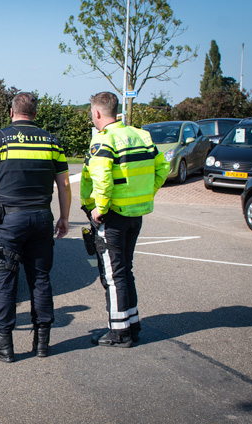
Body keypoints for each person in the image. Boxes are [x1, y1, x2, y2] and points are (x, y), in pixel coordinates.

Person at [0, 92, 71, 362]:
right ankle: (42, 343)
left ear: (11, 112)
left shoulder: (1, 138)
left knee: (4, 282)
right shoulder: (51, 140)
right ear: (36, 114)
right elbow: (64, 184)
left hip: (9, 222)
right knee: (40, 279)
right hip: (41, 218)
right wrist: (64, 218)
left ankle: (4, 345)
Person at [81, 91, 170, 348]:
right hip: (136, 214)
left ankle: (119, 333)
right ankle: (132, 324)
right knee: (125, 271)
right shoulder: (140, 135)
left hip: (113, 216)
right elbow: (162, 167)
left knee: (113, 275)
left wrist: (100, 208)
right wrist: (145, 194)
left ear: (97, 112)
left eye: (91, 112)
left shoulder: (103, 141)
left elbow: (103, 179)